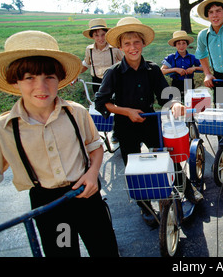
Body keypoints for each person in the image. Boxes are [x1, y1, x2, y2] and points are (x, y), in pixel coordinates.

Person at [0, 30, 119, 257]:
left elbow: (95, 146)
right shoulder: (2, 129)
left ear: (59, 79)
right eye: (29, 77)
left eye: (49, 77)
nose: (41, 87)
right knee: (64, 252)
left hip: (86, 195)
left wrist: (92, 173)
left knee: (104, 249)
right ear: (15, 80)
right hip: (49, 205)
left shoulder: (76, 113)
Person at [94, 17, 202, 226]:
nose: (132, 47)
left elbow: (166, 96)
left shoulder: (152, 69)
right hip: (126, 125)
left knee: (168, 158)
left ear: (143, 44)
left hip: (150, 120)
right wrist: (126, 111)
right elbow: (102, 102)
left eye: (136, 42)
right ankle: (144, 207)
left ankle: (188, 190)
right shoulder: (114, 72)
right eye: (127, 44)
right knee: (134, 167)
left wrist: (175, 105)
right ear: (120, 46)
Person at [82, 18, 124, 93]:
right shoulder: (89, 49)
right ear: (92, 36)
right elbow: (86, 64)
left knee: (113, 102)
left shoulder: (114, 48)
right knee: (99, 102)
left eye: (103, 35)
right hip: (96, 82)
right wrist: (75, 76)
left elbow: (125, 62)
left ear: (107, 34)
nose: (100, 38)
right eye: (96, 35)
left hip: (112, 81)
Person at [161, 30, 202, 101]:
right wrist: (175, 69)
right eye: (178, 43)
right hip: (176, 84)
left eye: (184, 43)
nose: (181, 46)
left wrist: (194, 68)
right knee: (177, 103)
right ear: (175, 45)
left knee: (189, 103)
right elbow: (162, 71)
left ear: (187, 44)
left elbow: (204, 68)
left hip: (189, 83)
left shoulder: (192, 57)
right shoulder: (171, 58)